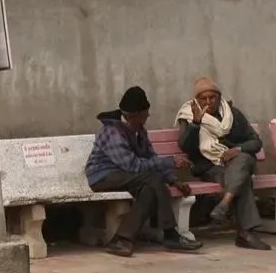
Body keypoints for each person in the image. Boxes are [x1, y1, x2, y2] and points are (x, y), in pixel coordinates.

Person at [85, 86, 201, 256]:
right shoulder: (113, 132)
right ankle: (170, 233)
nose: (148, 116)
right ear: (135, 115)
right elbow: (133, 166)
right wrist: (170, 162)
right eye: (146, 113)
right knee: (152, 179)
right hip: (103, 176)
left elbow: (150, 157)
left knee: (148, 191)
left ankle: (121, 240)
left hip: (128, 176)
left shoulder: (139, 130)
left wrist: (173, 180)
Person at [177, 77, 272, 250]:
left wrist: (237, 149)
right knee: (243, 178)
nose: (208, 102)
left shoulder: (233, 114)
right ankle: (245, 234)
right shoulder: (190, 116)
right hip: (211, 167)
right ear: (196, 100)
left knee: (244, 159)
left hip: (236, 163)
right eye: (203, 98)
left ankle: (224, 203)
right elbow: (186, 146)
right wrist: (196, 125)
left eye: (212, 97)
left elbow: (255, 142)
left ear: (219, 97)